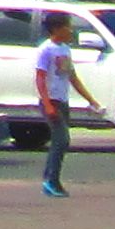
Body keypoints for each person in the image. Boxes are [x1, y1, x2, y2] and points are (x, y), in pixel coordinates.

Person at [33, 11, 84, 199]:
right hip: (51, 101)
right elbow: (40, 78)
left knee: (60, 141)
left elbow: (72, 77)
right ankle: (51, 180)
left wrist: (91, 100)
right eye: (67, 26)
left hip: (62, 101)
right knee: (61, 140)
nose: (70, 30)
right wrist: (47, 104)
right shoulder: (45, 50)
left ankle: (50, 179)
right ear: (56, 29)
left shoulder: (65, 49)